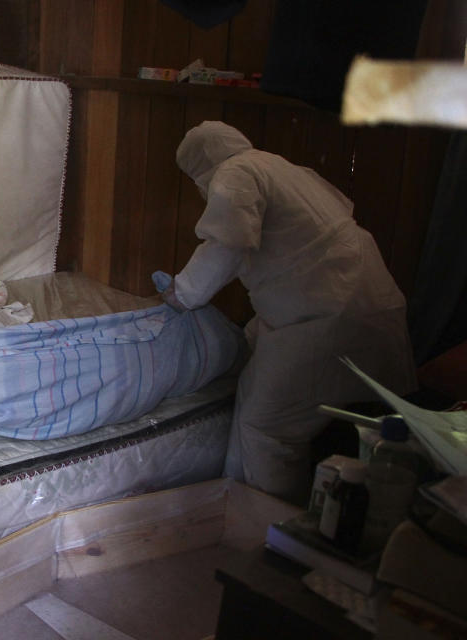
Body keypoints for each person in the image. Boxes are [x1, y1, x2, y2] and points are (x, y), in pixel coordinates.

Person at [162, 121, 417, 504]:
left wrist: (182, 294)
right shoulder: (281, 167)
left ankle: (265, 531)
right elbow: (300, 252)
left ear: (201, 166)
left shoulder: (236, 173)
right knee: (259, 378)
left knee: (265, 429)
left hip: (327, 319)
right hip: (367, 304)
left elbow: (227, 245)